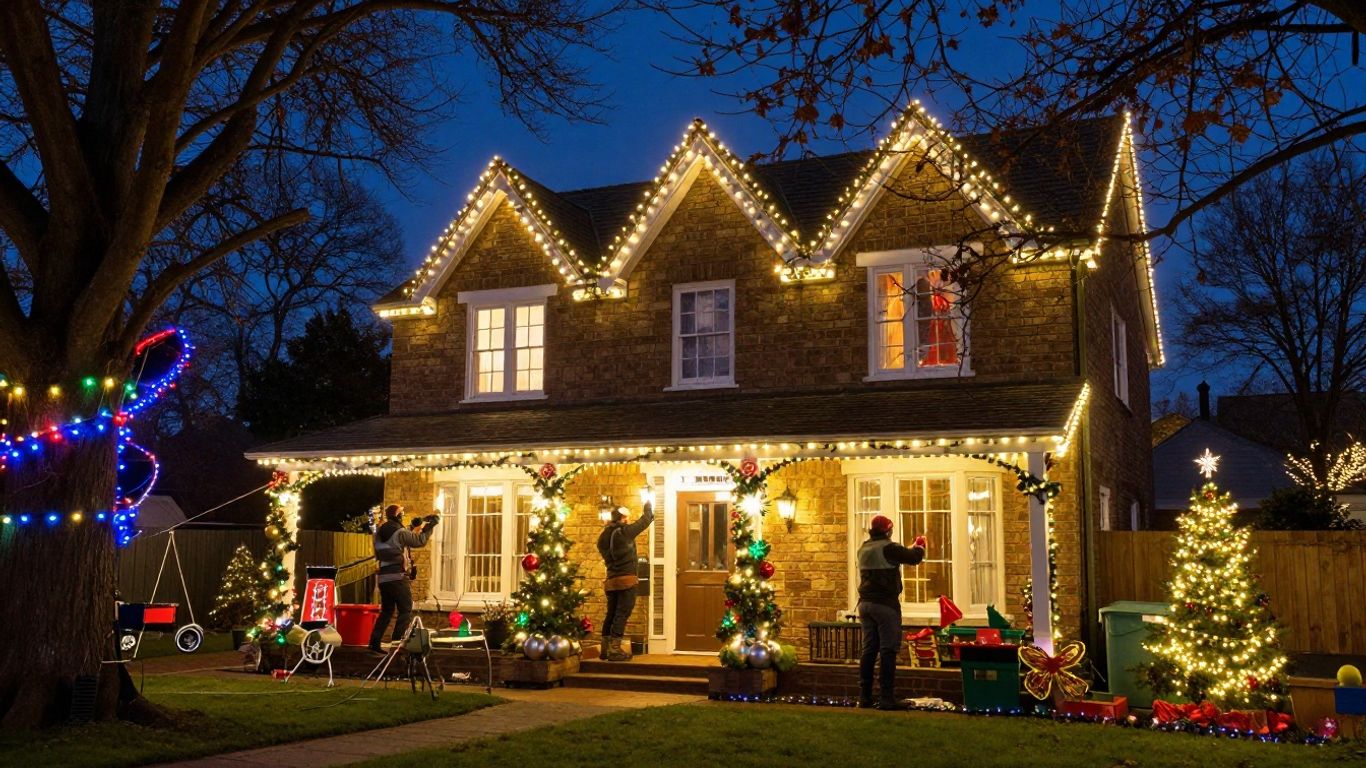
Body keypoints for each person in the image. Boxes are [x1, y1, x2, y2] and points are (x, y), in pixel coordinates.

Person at [856, 514, 927, 709]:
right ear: (888, 530)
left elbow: (893, 557)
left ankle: (865, 697)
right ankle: (886, 698)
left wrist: (909, 548)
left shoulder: (863, 548)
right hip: (885, 606)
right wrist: (920, 545)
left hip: (865, 605)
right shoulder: (889, 547)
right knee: (888, 650)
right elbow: (913, 558)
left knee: (869, 650)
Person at [367, 504, 437, 654]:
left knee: (387, 611)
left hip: (384, 578)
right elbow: (419, 541)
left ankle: (374, 643)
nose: (403, 516)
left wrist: (414, 525)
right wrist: (430, 526)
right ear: (398, 515)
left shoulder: (380, 532)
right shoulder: (400, 532)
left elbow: (399, 537)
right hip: (398, 577)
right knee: (405, 609)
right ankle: (397, 645)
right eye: (402, 514)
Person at [596, 500, 653, 661]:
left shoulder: (603, 536)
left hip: (611, 580)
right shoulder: (624, 532)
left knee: (611, 613)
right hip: (626, 580)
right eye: (627, 518)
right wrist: (648, 502)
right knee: (622, 613)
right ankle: (615, 649)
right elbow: (646, 520)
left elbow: (604, 551)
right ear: (622, 518)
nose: (629, 520)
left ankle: (605, 649)